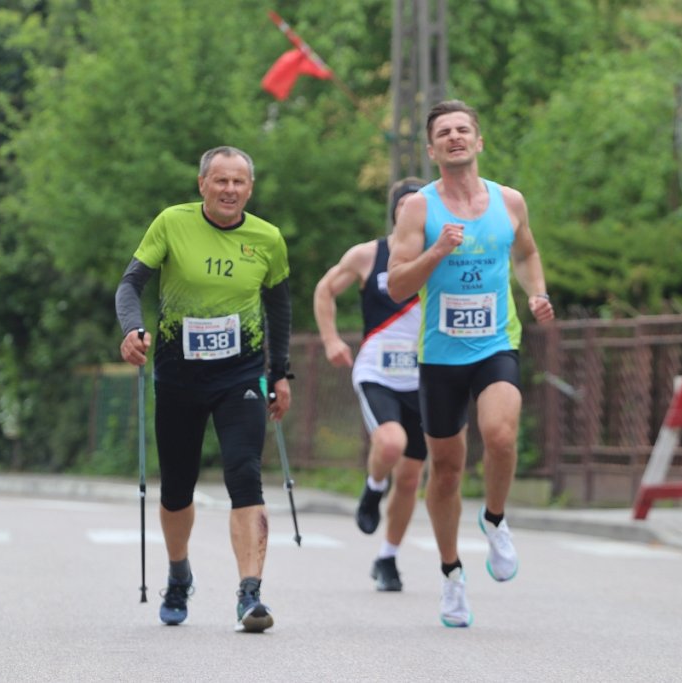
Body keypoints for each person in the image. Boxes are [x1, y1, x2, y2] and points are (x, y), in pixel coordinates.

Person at [386, 100, 554, 628]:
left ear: (479, 142)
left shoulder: (510, 201)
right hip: (440, 356)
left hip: (495, 344)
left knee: (501, 435)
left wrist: (536, 293)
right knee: (447, 470)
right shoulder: (417, 207)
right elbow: (395, 286)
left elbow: (525, 253)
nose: (455, 137)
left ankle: (496, 520)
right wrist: (436, 252)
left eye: (464, 130)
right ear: (433, 149)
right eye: (444, 133)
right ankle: (451, 574)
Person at [115, 146, 292, 633]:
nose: (229, 190)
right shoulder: (172, 223)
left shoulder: (268, 239)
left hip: (241, 377)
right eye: (220, 181)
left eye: (238, 182)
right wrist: (132, 329)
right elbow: (130, 285)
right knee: (176, 488)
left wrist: (280, 373)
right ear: (202, 185)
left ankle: (250, 594)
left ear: (250, 189)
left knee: (245, 474)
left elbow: (278, 309)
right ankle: (178, 573)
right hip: (178, 376)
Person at [314, 176, 456, 593]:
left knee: (411, 476)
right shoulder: (367, 255)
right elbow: (325, 289)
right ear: (397, 212)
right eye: (408, 207)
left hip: (424, 376)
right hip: (377, 370)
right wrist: (331, 340)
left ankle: (388, 558)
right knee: (390, 444)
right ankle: (373, 487)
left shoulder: (442, 256)